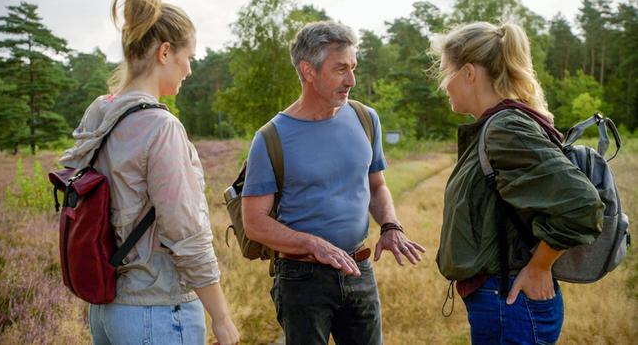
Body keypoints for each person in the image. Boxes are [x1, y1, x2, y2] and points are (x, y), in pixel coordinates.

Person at [59, 0, 239, 345]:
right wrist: (221, 316)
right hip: (158, 311)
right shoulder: (160, 126)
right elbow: (185, 231)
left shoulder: (100, 113)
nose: (189, 69)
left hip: (107, 311)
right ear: (165, 52)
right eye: (189, 57)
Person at [240, 21, 426, 345]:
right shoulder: (270, 138)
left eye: (353, 68)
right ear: (308, 71)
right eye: (341, 69)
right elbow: (254, 222)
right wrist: (312, 244)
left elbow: (377, 186)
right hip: (301, 278)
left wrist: (391, 225)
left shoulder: (366, 118)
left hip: (359, 268)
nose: (351, 80)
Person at [432, 21, 604, 344]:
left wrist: (539, 267)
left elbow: (583, 204)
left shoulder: (505, 128)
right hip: (504, 303)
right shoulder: (499, 126)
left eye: (445, 73)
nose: (443, 86)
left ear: (469, 73)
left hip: (510, 304)